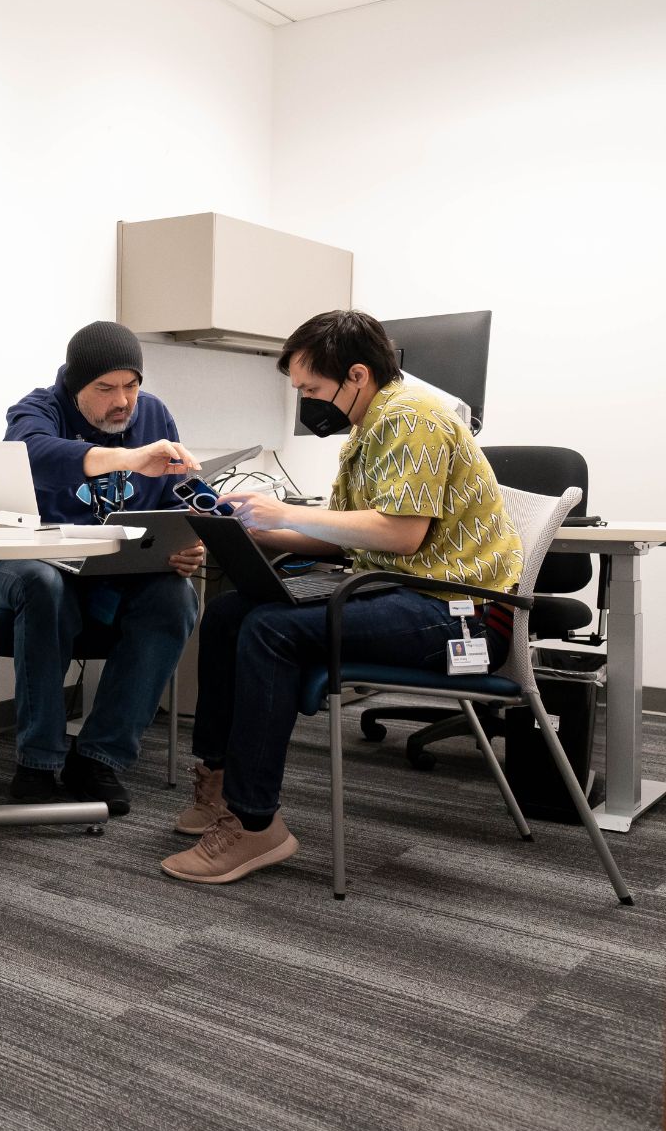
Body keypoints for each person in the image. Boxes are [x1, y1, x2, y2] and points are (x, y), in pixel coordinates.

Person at [162, 309, 523, 884]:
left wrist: (282, 511)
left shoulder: (413, 418)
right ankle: (221, 784)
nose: (308, 400)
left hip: (462, 614)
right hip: (403, 590)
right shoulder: (370, 426)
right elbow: (340, 538)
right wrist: (255, 533)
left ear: (356, 375)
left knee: (270, 629)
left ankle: (257, 828)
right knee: (229, 613)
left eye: (312, 388)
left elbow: (403, 533)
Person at [0, 321, 205, 813]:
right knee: (43, 583)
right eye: (105, 388)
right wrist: (126, 458)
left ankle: (98, 757)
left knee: (175, 597)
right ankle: (38, 760)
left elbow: (176, 499)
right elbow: (32, 456)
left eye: (131, 385)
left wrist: (188, 540)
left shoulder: (155, 416)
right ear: (74, 385)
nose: (123, 401)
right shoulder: (38, 408)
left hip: (118, 574)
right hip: (34, 566)